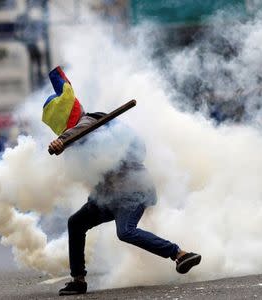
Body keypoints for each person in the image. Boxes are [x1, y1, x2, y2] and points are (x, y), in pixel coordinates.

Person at [43, 67, 201, 296]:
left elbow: (82, 130)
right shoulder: (81, 136)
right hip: (108, 196)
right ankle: (78, 280)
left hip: (133, 190)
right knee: (76, 223)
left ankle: (180, 254)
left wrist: (61, 141)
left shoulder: (90, 123)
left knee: (125, 231)